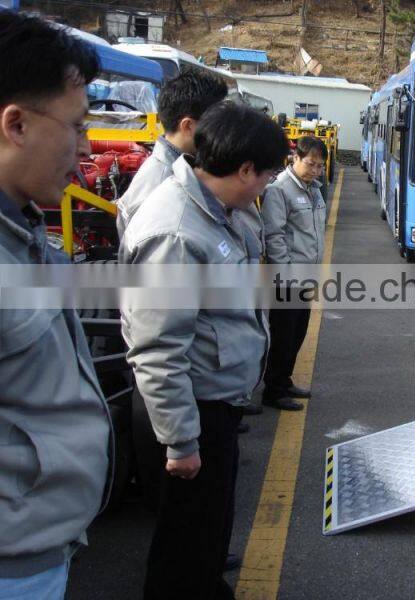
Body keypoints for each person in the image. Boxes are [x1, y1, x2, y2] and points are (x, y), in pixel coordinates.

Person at [120, 101, 289, 600]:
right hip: (192, 408)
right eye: (265, 176)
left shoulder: (219, 212)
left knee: (205, 531)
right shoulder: (176, 231)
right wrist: (180, 441)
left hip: (215, 402)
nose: (265, 187)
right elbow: (157, 349)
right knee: (184, 540)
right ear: (243, 170)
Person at [0, 12, 112, 599]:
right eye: (77, 126)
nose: (88, 146)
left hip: (39, 548)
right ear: (16, 124)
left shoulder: (23, 230)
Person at [115, 67, 228, 240]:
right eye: (216, 123)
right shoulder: (160, 180)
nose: (222, 131)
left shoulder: (183, 168)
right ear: (188, 126)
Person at [261, 136, 328, 411]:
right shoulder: (279, 190)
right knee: (283, 335)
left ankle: (285, 380)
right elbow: (274, 236)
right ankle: (273, 390)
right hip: (288, 279)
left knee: (298, 332)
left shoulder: (314, 190)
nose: (315, 170)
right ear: (295, 159)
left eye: (320, 166)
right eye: (311, 164)